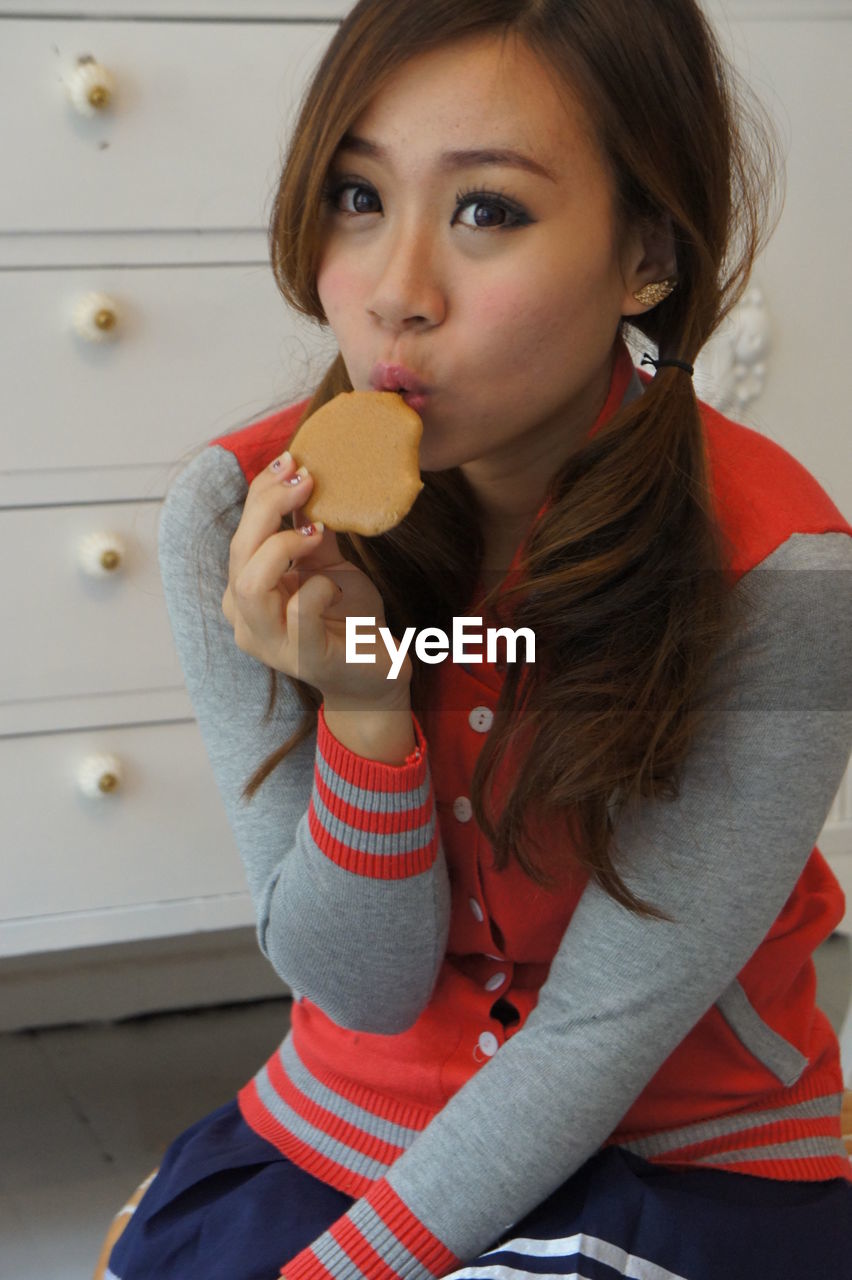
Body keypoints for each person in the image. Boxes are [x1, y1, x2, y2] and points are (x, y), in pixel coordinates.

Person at [106, 1, 852, 1277]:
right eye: (355, 194)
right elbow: (365, 985)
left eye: (487, 210)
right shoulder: (235, 518)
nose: (396, 293)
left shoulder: (786, 573)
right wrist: (365, 703)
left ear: (648, 256)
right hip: (342, 1131)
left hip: (680, 1153)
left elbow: (604, 1033)